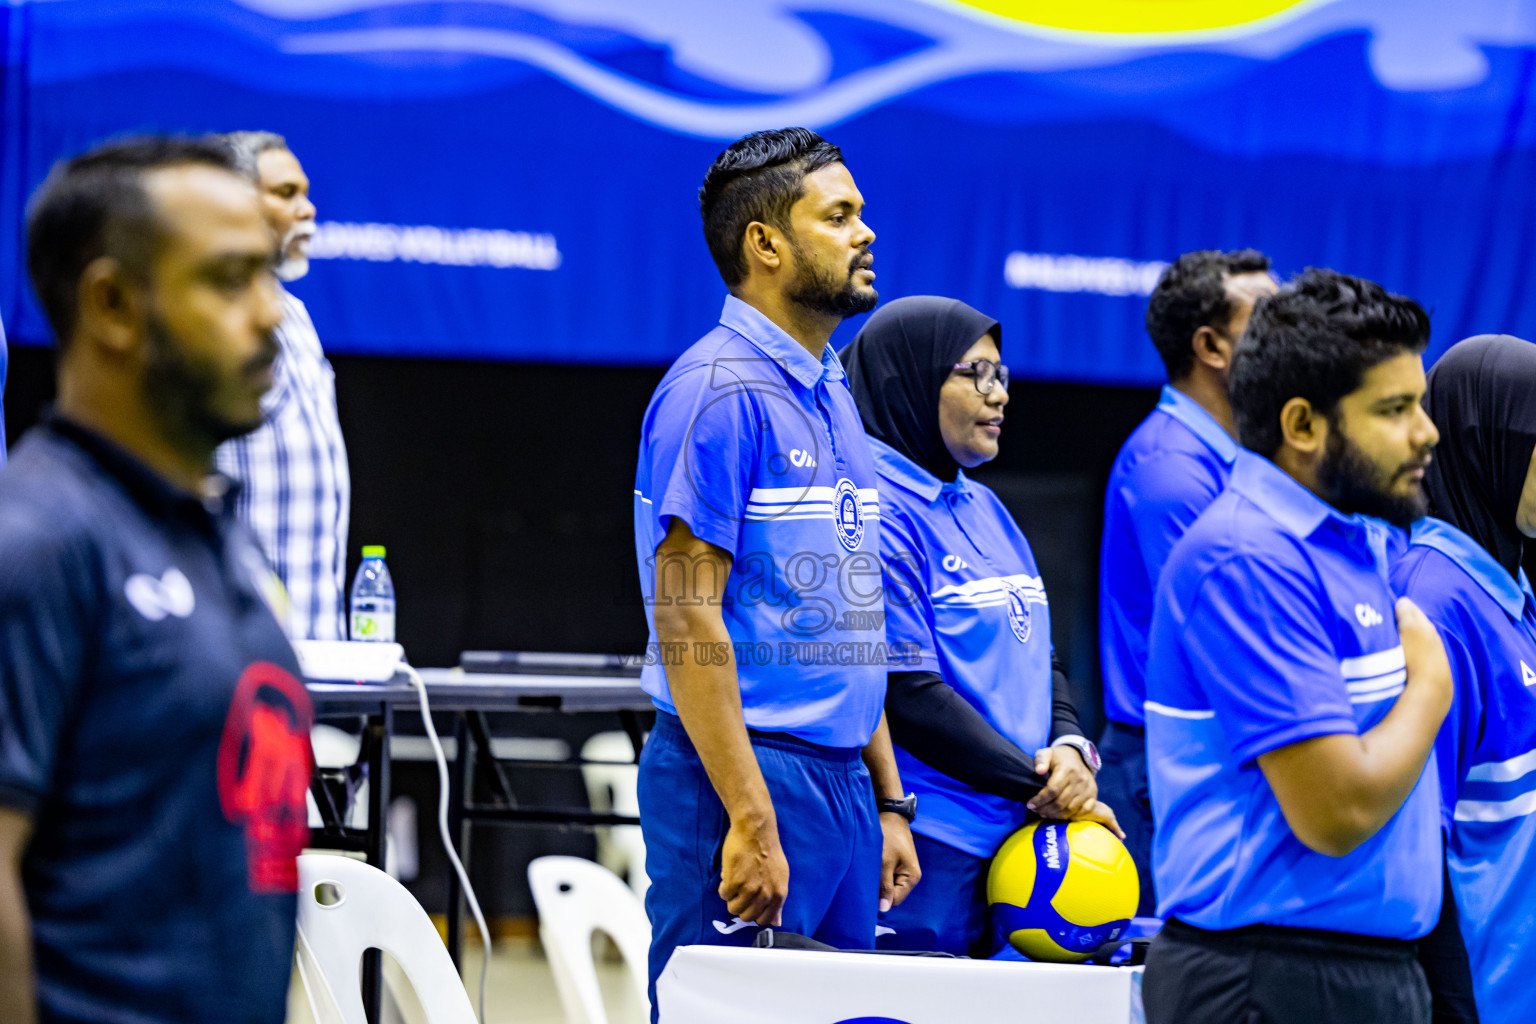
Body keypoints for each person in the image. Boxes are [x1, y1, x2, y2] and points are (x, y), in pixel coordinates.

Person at [0, 137, 311, 1023]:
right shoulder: (38, 542)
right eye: (227, 280)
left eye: (267, 277)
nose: (268, 316)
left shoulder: (208, 535)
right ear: (112, 305)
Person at [633, 127, 919, 1018]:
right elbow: (685, 618)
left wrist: (885, 795)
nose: (865, 232)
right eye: (838, 216)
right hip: (745, 777)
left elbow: (851, 611)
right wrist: (751, 816)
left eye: (861, 214)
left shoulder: (831, 388)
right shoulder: (714, 392)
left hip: (839, 782)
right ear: (765, 244)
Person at [1142, 268, 1451, 1023]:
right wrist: (1429, 687)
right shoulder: (1248, 555)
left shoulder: (1353, 539)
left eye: (1422, 404)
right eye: (1395, 409)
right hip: (1267, 980)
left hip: (1361, 972)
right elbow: (1336, 809)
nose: (1426, 432)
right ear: (1303, 425)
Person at [840, 295, 1121, 957]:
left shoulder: (984, 504)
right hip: (929, 850)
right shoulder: (875, 508)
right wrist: (1046, 787)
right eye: (976, 374)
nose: (999, 395)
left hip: (1023, 848)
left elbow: (1041, 659)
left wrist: (1073, 751)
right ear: (907, 379)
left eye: (1003, 377)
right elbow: (906, 695)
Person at [1098, 248, 1276, 914]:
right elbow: (1227, 638)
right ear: (1211, 346)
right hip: (1167, 766)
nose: (1293, 330)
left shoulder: (1227, 457)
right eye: (1271, 315)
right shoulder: (1172, 469)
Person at [1391, 334, 1536, 1024]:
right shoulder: (1434, 602)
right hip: (1484, 997)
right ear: (1493, 448)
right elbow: (1418, 848)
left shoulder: (1510, 584)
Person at [213, 131, 350, 642]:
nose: (308, 209)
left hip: (316, 648)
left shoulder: (294, 315)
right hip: (240, 654)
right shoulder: (210, 321)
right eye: (286, 193)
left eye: (306, 193)